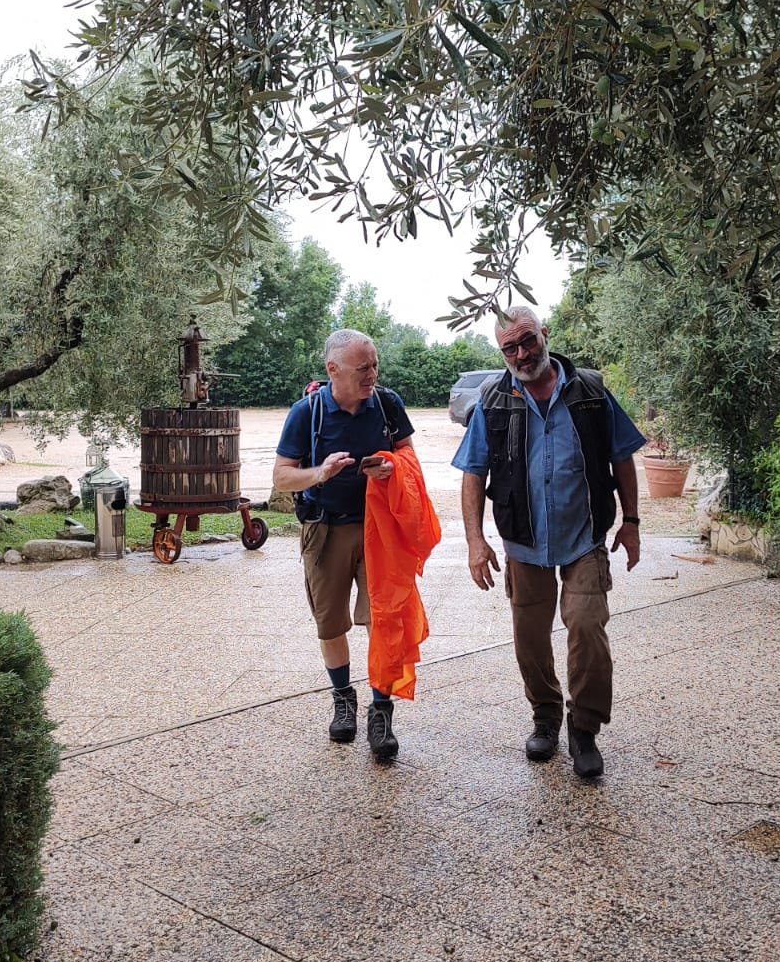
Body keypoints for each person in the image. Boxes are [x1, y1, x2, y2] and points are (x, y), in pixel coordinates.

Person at [453, 305, 645, 780]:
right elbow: (473, 473)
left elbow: (622, 457)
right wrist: (476, 541)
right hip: (523, 542)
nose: (522, 354)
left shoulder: (590, 391)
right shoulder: (493, 400)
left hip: (584, 536)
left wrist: (631, 521)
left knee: (587, 627)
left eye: (528, 341)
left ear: (545, 334)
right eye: (510, 348)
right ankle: (545, 715)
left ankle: (584, 728)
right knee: (530, 638)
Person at [273, 328, 418, 762]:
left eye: (374, 365)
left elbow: (409, 457)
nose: (372, 375)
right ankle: (342, 699)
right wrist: (320, 473)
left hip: (380, 531)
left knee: (383, 620)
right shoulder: (307, 412)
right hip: (326, 530)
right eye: (362, 368)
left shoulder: (387, 404)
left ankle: (381, 711)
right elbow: (282, 476)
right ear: (333, 369)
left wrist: (391, 466)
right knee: (331, 624)